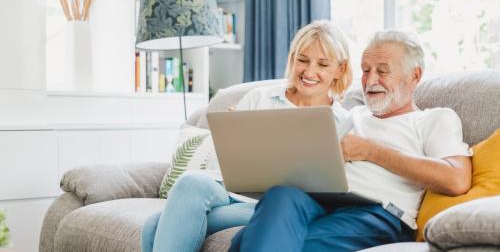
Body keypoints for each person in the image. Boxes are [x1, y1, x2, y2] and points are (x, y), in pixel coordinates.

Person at [229, 30, 473, 252]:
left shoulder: (433, 119)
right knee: (281, 194)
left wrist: (371, 151)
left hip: (378, 214)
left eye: (382, 70)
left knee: (248, 242)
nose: (370, 79)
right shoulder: (350, 115)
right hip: (322, 201)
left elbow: (456, 179)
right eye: (366, 70)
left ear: (414, 75)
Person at [141, 20, 354, 252]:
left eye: (322, 64)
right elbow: (221, 166)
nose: (309, 71)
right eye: (302, 60)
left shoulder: (341, 122)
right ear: (292, 59)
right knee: (190, 181)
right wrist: (232, 139)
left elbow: (337, 186)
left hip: (278, 206)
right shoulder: (259, 97)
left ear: (339, 69)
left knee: (154, 225)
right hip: (231, 191)